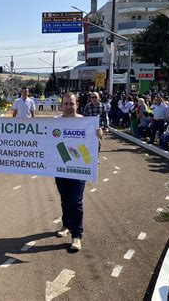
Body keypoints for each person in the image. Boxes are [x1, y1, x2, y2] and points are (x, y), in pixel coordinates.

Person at [54, 92, 102, 251]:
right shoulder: (55, 122)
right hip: (60, 168)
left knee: (76, 201)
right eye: (66, 104)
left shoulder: (86, 122)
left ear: (77, 105)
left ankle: (77, 236)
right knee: (65, 199)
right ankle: (66, 225)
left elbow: (93, 146)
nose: (68, 106)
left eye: (71, 103)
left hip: (80, 169)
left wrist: (98, 135)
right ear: (62, 105)